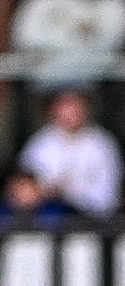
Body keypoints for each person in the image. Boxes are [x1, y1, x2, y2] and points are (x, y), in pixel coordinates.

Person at [16, 87, 123, 219]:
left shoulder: (102, 144)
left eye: (74, 105)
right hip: (44, 210)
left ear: (86, 107)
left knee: (54, 216)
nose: (69, 111)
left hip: (91, 219)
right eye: (64, 105)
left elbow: (107, 199)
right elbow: (23, 184)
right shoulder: (42, 140)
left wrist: (68, 191)